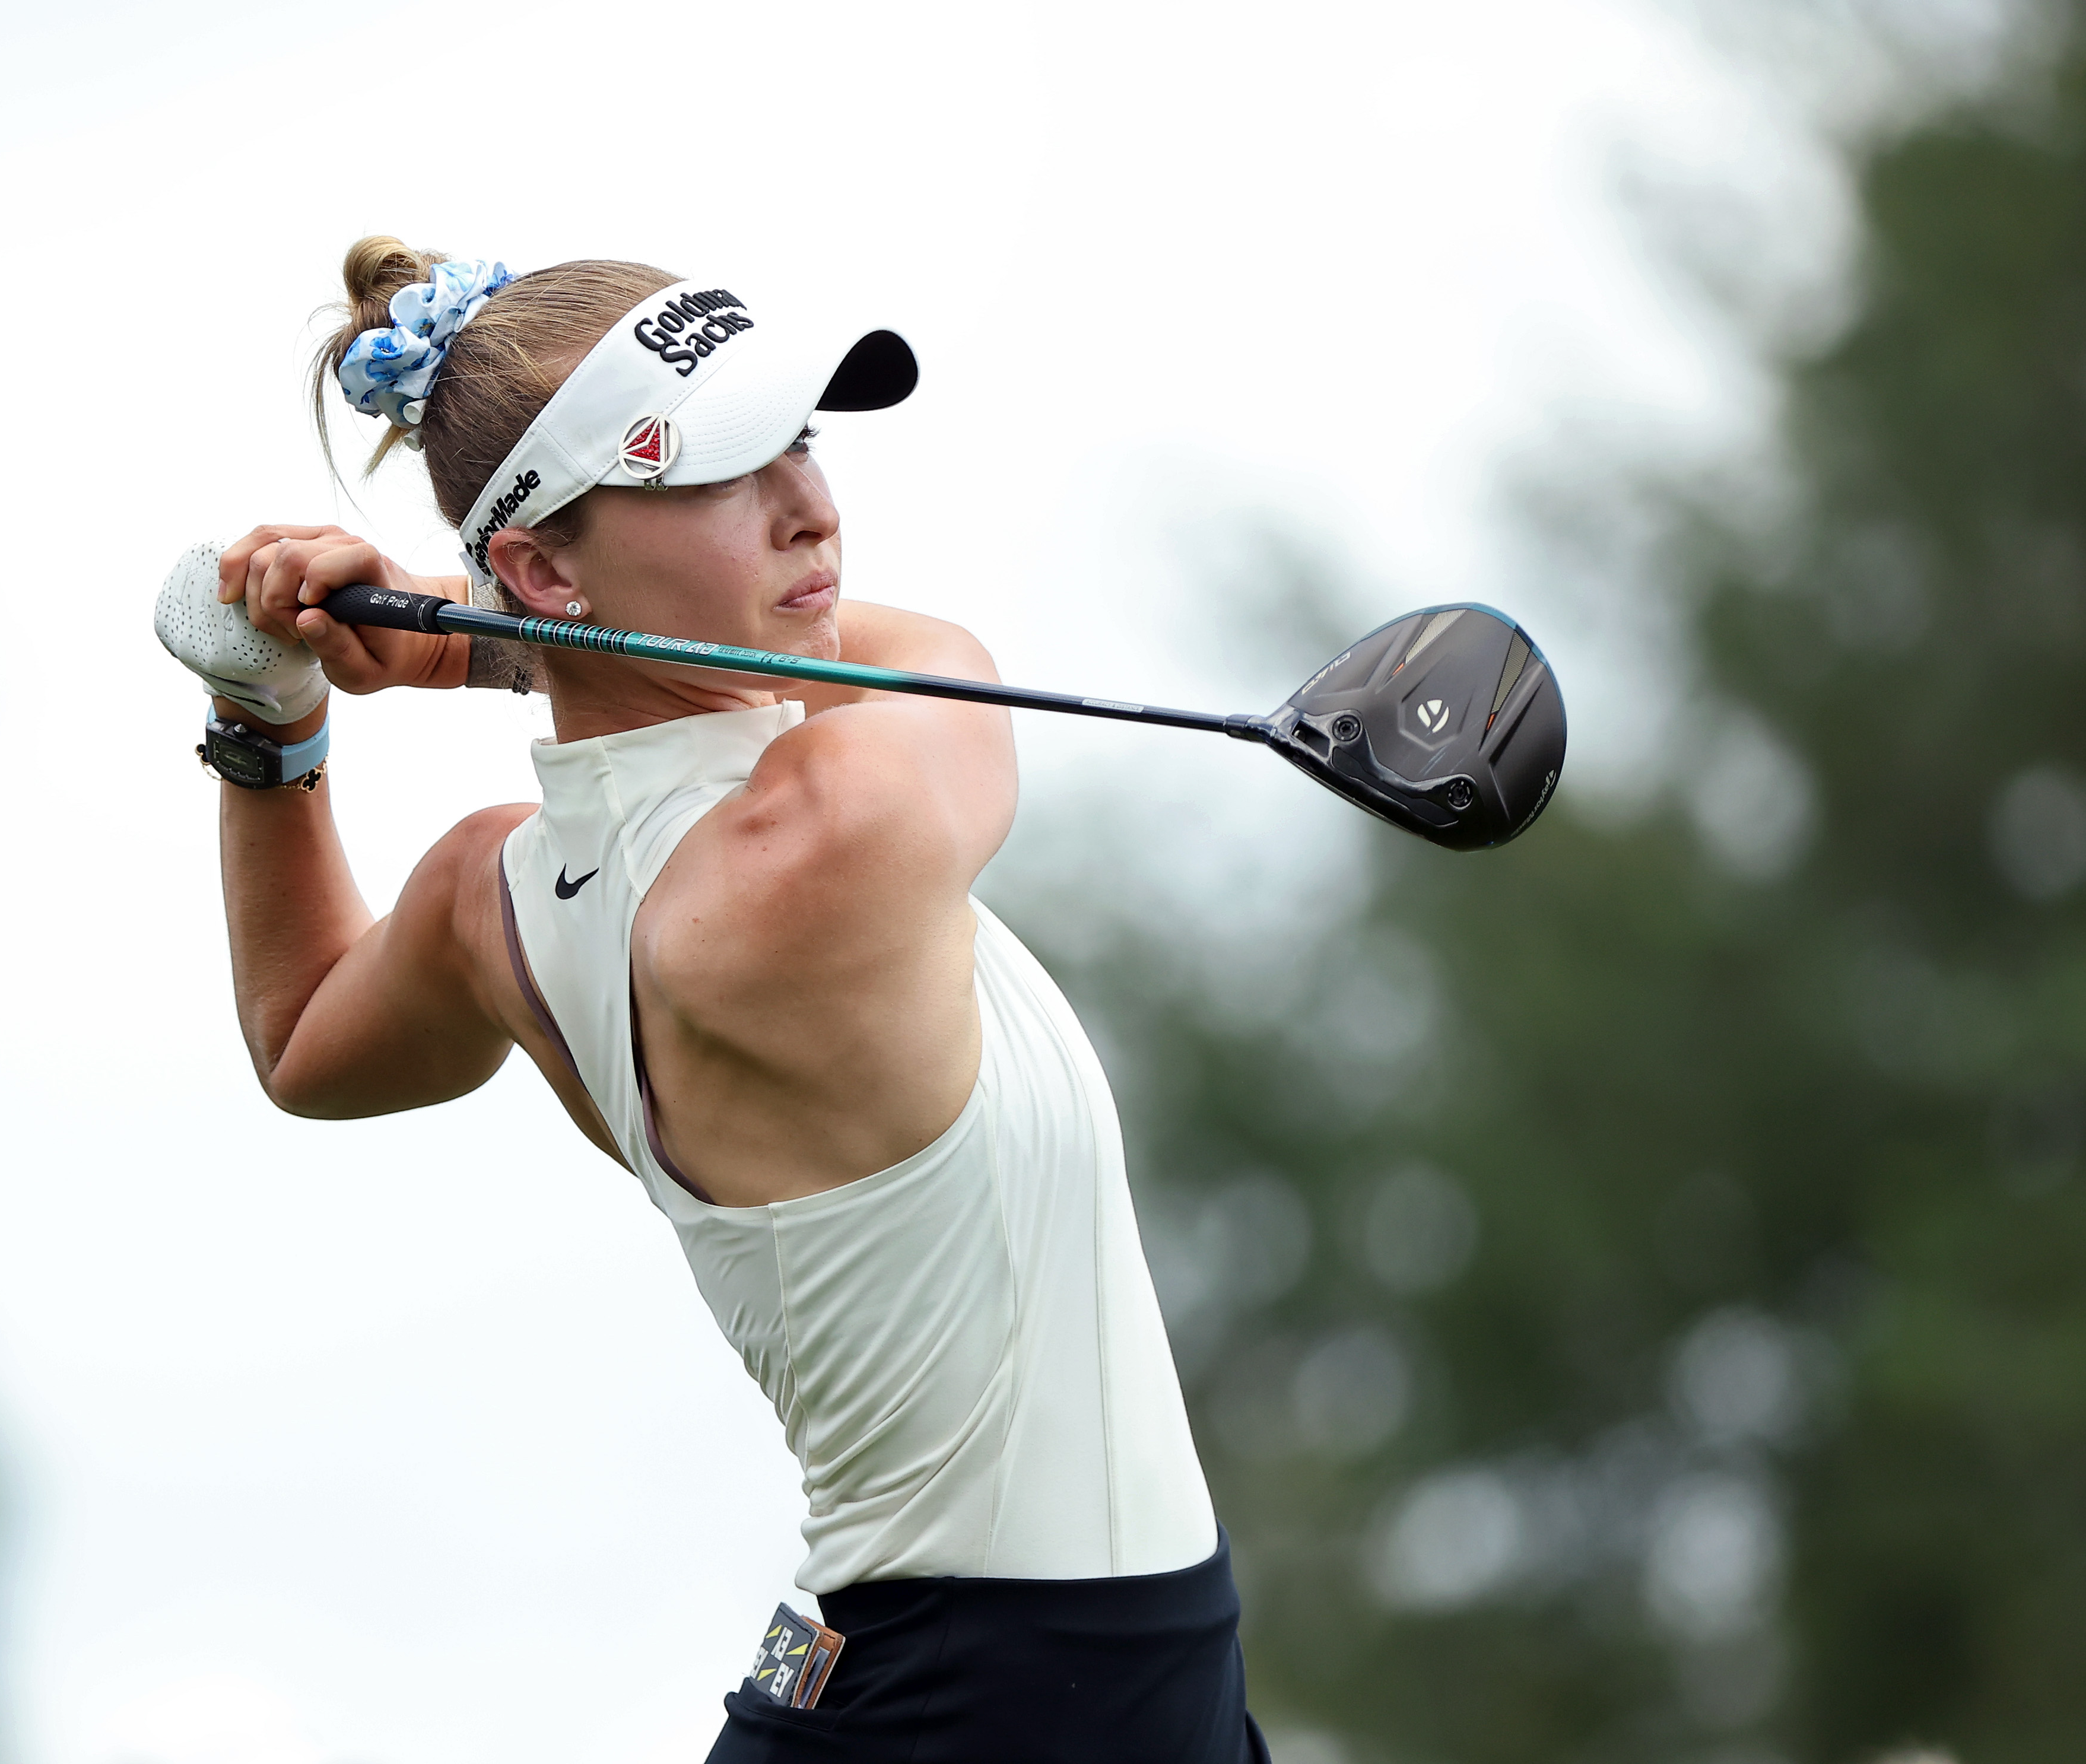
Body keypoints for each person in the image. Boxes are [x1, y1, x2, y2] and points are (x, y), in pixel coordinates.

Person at [154, 240, 1269, 1763]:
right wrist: (469, 639)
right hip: (1001, 1701)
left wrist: (276, 708)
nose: (809, 504)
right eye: (722, 470)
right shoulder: (818, 828)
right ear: (548, 566)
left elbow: (302, 1037)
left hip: (996, 1672)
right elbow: (949, 662)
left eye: (799, 438)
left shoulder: (494, 893)